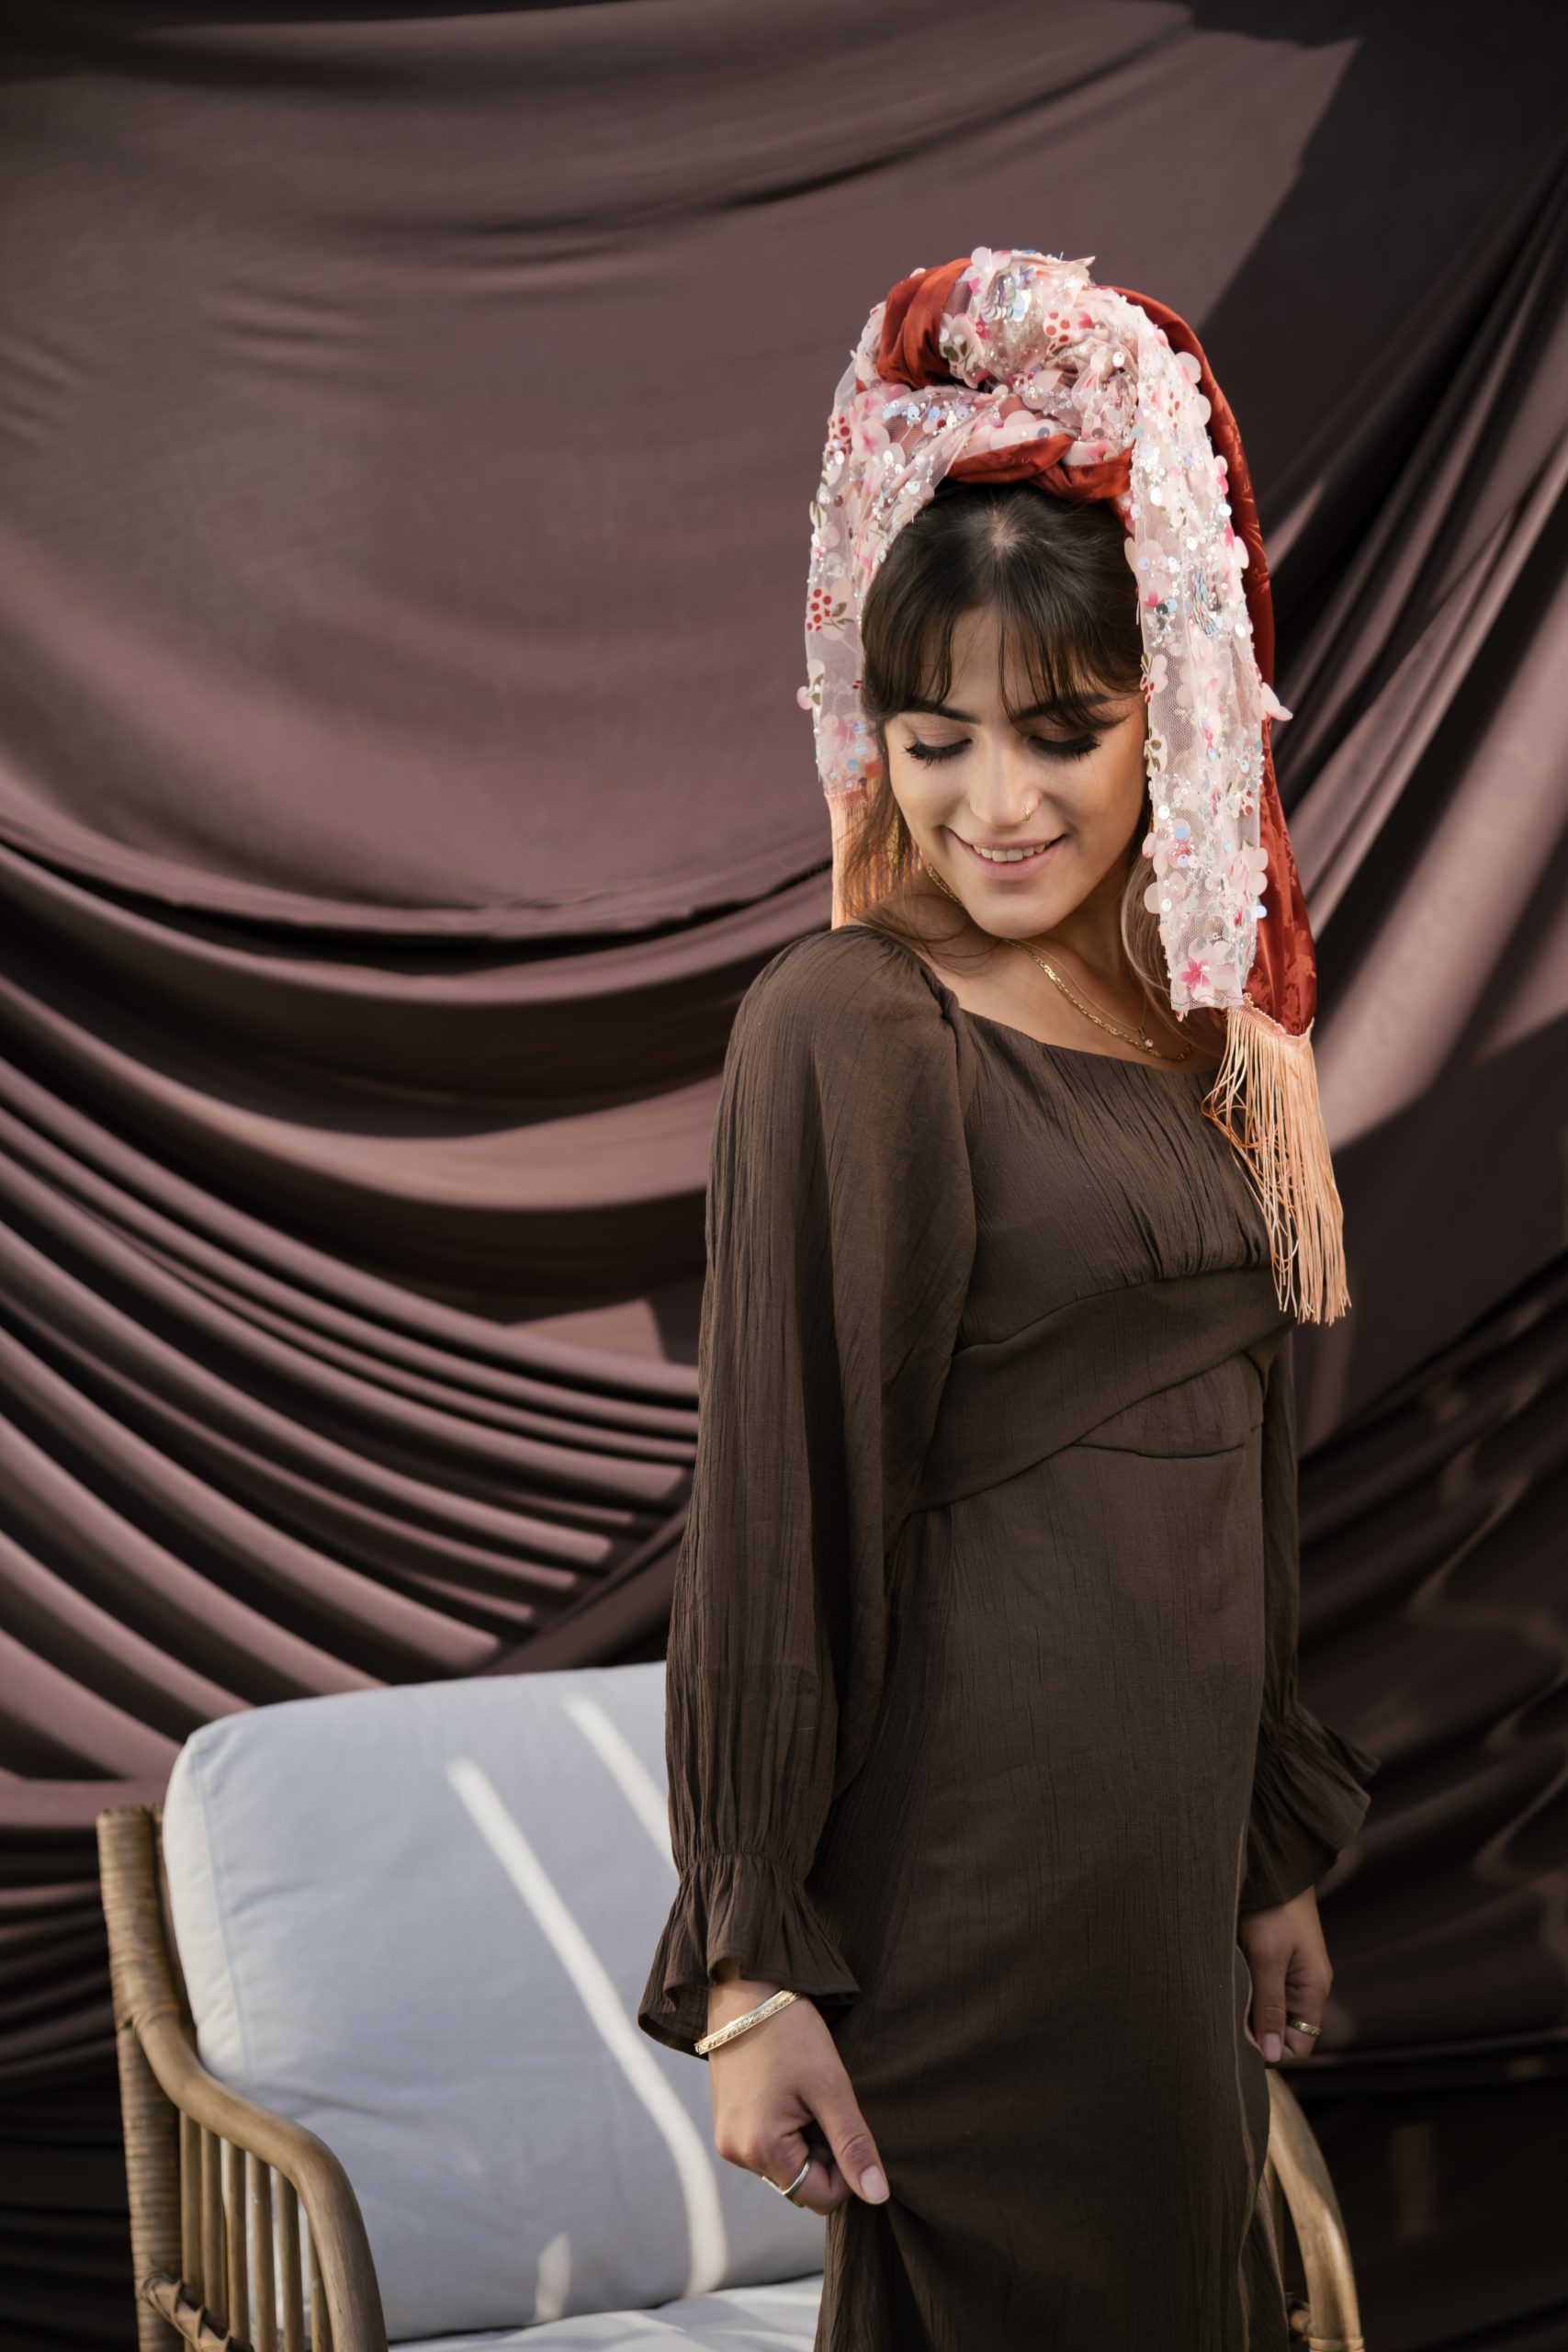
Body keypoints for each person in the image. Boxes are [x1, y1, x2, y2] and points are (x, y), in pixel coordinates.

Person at [637, 250, 1381, 2350]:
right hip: (974, 1887)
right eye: (933, 737)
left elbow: (1237, 1448)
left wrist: (1263, 1840)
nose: (994, 802)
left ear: (1173, 711)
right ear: (867, 733)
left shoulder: (1187, 1021)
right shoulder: (850, 1019)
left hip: (1160, 1886)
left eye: (1063, 732)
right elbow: (772, 1508)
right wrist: (750, 1972)